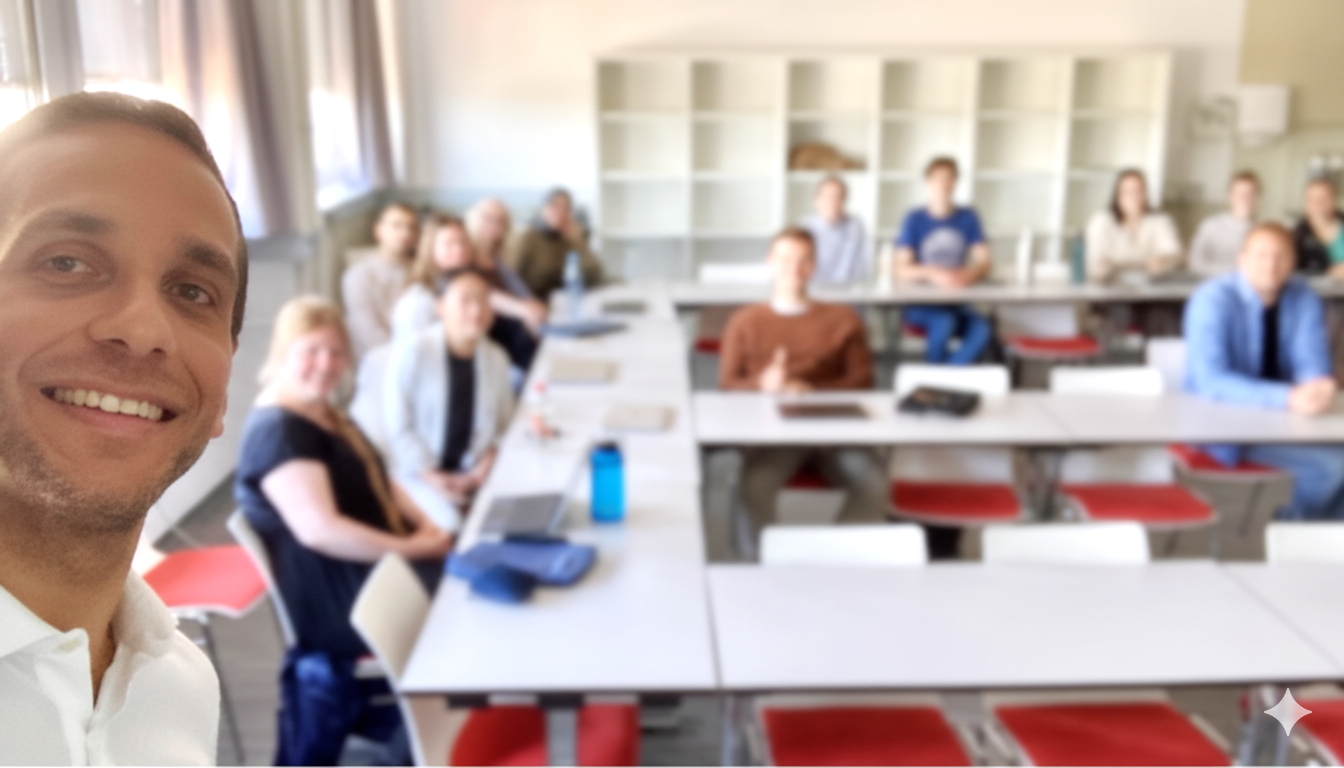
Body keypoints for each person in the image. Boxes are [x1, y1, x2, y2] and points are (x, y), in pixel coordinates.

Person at [0, 92, 246, 763]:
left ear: (221, 393)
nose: (141, 330)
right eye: (66, 263)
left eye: (193, 291)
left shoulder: (176, 684)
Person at [235, 296, 453, 765]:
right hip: (340, 599)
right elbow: (320, 531)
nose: (326, 364)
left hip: (367, 569)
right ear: (284, 353)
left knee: (472, 580)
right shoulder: (280, 430)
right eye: (311, 350)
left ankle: (437, 735)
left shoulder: (323, 411)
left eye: (336, 352)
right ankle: (430, 742)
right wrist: (412, 548)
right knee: (469, 603)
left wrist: (425, 524)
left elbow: (382, 479)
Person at [719, 227, 887, 557]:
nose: (794, 268)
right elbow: (727, 385)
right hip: (775, 436)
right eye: (784, 258)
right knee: (755, 487)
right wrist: (762, 386)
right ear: (769, 262)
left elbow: (863, 381)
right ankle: (770, 562)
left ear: (814, 266)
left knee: (874, 485)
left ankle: (836, 558)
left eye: (803, 260)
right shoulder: (744, 321)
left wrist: (811, 389)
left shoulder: (843, 319)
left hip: (834, 432)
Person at [1185, 223, 1344, 520]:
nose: (1271, 264)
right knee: (1334, 467)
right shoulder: (1212, 300)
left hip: (1288, 419)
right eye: (1261, 255)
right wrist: (1288, 398)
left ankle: (1330, 550)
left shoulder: (1303, 296)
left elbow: (1310, 359)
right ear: (1241, 259)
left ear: (1294, 262)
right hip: (1223, 424)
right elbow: (1210, 381)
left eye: (1281, 255)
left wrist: (1318, 384)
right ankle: (1296, 543)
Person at [384, 268, 516, 530]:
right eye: (465, 300)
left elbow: (504, 426)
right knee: (451, 526)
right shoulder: (413, 352)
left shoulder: (497, 358)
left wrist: (486, 462)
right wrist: (431, 476)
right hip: (419, 473)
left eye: (483, 300)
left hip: (474, 473)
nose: (476, 310)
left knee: (515, 516)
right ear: (441, 307)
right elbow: (398, 428)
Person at [392, 213, 536, 373]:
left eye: (463, 242)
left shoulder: (472, 284)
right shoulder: (418, 301)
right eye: (449, 244)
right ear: (430, 249)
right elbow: (415, 362)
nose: (459, 250)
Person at [894, 156, 993, 365]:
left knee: (982, 328)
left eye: (949, 178)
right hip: (921, 304)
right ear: (928, 182)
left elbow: (984, 261)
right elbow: (901, 269)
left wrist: (969, 273)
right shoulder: (914, 219)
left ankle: (944, 378)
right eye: (937, 178)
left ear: (955, 183)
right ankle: (938, 379)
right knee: (943, 322)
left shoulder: (968, 217)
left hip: (956, 302)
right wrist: (933, 273)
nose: (943, 184)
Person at [341, 202, 419, 361]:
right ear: (379, 230)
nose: (405, 233)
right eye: (397, 226)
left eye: (412, 227)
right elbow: (369, 334)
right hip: (379, 362)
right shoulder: (358, 276)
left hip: (421, 357)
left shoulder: (423, 271)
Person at [466, 197, 549, 334]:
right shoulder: (466, 257)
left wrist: (533, 308)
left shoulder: (500, 258)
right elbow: (483, 294)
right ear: (474, 219)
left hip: (519, 328)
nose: (494, 225)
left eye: (500, 221)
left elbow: (522, 292)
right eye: (488, 218)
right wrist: (524, 310)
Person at [1085, 168, 1182, 284]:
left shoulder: (1160, 220)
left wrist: (1163, 260)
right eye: (1128, 192)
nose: (1135, 197)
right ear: (1117, 195)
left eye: (1140, 191)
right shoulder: (1101, 222)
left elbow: (1175, 253)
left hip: (1152, 287)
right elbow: (1095, 263)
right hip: (1109, 289)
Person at [509, 187, 603, 301]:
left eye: (566, 208)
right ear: (544, 209)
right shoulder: (529, 237)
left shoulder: (570, 238)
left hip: (566, 304)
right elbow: (513, 279)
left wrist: (579, 243)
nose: (560, 213)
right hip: (535, 304)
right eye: (555, 206)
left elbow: (595, 276)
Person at [1188, 171, 1260, 278]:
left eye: (1250, 193)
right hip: (1212, 287)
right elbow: (1195, 263)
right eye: (1239, 193)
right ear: (1230, 196)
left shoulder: (1264, 231)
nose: (1244, 198)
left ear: (1257, 197)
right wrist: (1240, 271)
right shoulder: (1210, 225)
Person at [800, 175, 869, 285]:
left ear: (845, 201)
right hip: (813, 291)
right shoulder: (805, 227)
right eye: (828, 196)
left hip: (847, 292)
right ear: (816, 200)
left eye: (838, 197)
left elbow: (859, 267)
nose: (833, 201)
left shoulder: (855, 226)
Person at [1293, 177, 1344, 277]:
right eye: (1312, 198)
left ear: (1334, 199)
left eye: (1324, 197)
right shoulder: (1295, 236)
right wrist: (1329, 272)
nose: (1318, 203)